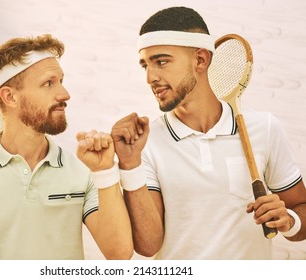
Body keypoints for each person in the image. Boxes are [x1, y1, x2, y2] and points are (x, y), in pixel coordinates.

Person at [111, 6, 306, 259]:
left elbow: (301, 208)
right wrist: (129, 164)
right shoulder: (145, 143)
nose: (150, 77)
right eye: (144, 65)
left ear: (201, 60)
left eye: (161, 61)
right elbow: (148, 245)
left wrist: (290, 221)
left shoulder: (265, 128)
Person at [0, 34, 133, 260]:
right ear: (10, 97)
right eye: (48, 83)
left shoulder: (83, 172)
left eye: (61, 81)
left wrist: (103, 171)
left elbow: (119, 255)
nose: (64, 94)